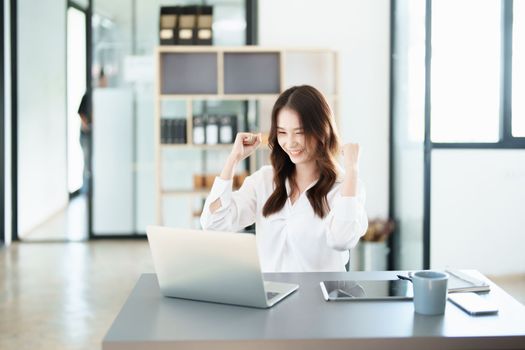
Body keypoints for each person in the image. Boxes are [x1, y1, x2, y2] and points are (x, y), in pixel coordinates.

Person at [200, 85, 368, 272]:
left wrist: (352, 169)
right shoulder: (264, 180)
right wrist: (233, 159)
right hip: (272, 298)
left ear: (322, 130)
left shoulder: (345, 188)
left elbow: (342, 239)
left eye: (300, 132)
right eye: (282, 132)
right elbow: (214, 223)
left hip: (320, 298)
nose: (290, 142)